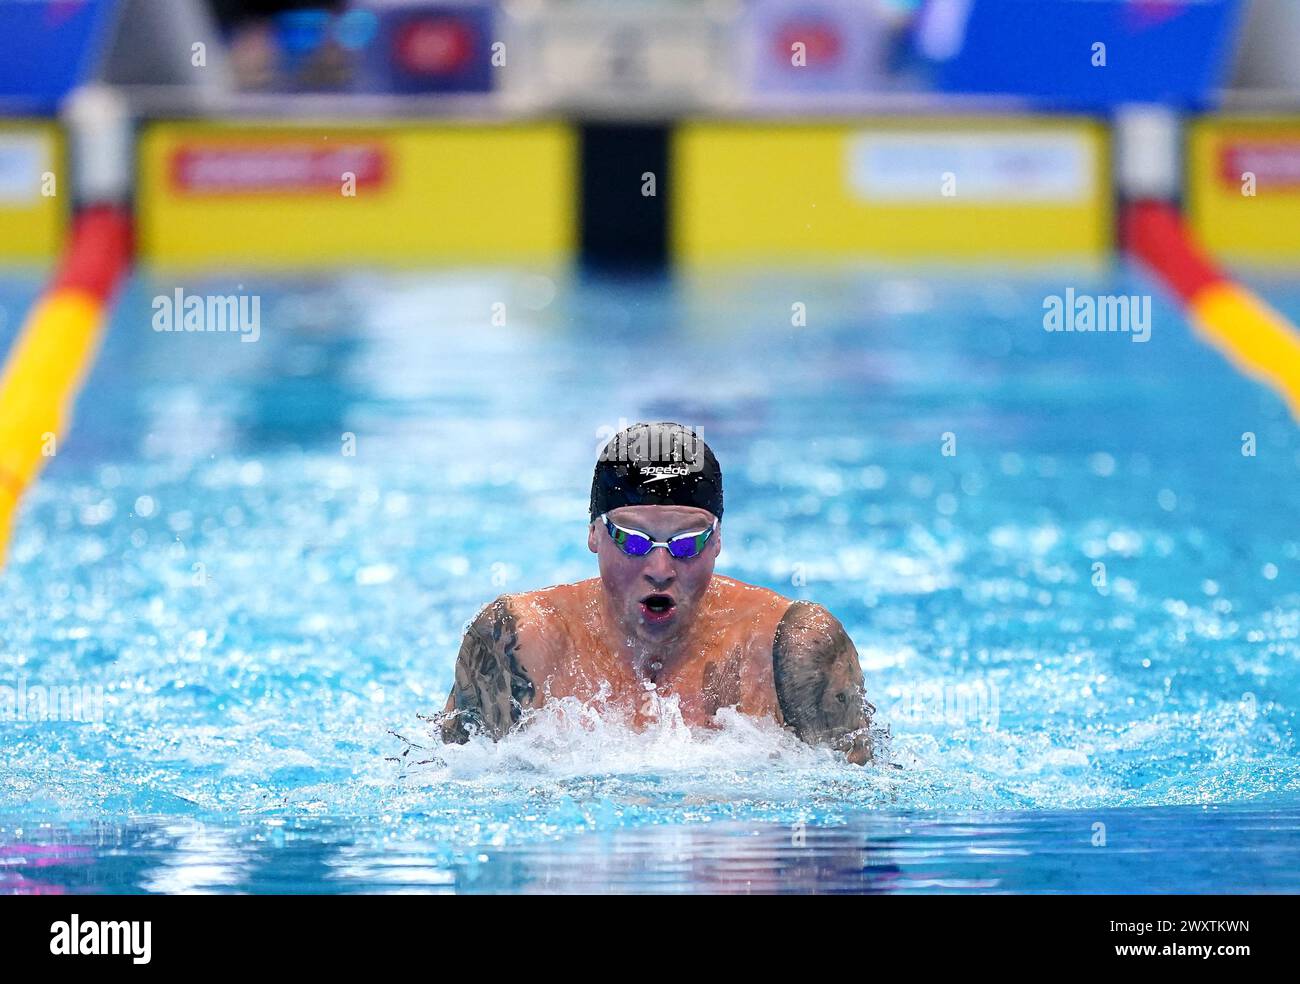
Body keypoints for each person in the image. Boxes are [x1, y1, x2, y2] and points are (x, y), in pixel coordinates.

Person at [437, 422, 874, 764]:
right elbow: (450, 789)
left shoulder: (792, 647)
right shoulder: (519, 641)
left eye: (688, 544)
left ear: (718, 540)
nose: (660, 570)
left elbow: (858, 808)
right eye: (632, 541)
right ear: (593, 533)